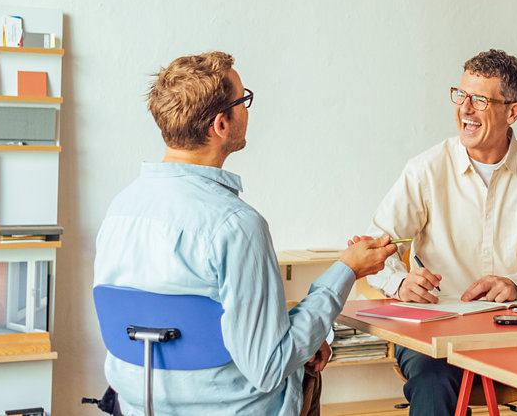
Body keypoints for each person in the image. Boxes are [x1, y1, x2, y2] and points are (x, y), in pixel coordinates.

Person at [93, 51, 397, 416]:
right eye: (244, 100)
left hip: (139, 405)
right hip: (234, 409)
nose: (248, 110)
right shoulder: (236, 224)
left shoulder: (120, 209)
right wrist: (346, 269)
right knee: (303, 368)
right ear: (221, 124)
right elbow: (268, 368)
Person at [362, 49, 517, 415]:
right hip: (437, 333)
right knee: (431, 384)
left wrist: (516, 283)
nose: (465, 108)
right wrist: (400, 282)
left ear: (512, 111)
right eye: (460, 95)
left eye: (479, 99)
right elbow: (374, 247)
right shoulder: (425, 170)